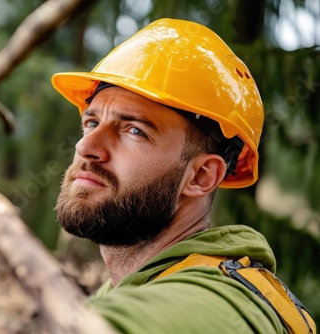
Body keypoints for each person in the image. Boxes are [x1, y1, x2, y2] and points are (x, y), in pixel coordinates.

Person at [51, 18, 316, 333]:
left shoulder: (209, 309)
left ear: (201, 176)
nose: (85, 146)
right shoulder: (137, 287)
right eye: (92, 122)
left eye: (134, 130)